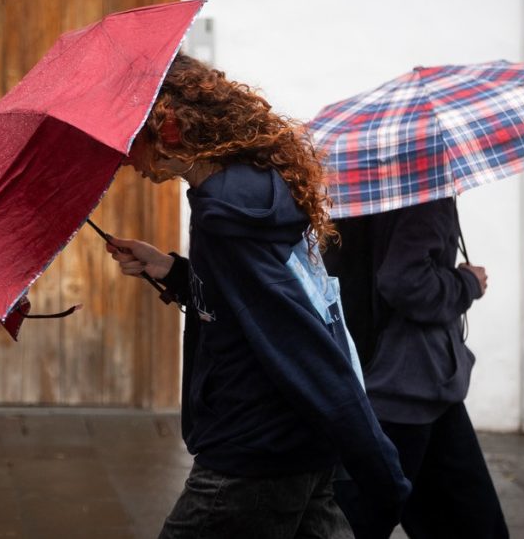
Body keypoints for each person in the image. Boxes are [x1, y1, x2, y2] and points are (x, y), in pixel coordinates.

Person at [105, 53, 410, 539]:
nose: (124, 159)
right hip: (295, 444)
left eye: (129, 140)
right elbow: (253, 302)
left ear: (169, 131)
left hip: (253, 458)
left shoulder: (227, 214)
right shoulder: (241, 189)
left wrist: (381, 469)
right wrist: (173, 271)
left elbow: (301, 339)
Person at [323, 199, 509, 538]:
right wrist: (466, 283)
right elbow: (403, 280)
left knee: (467, 520)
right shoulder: (422, 196)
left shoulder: (362, 191)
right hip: (406, 385)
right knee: (357, 521)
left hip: (396, 380)